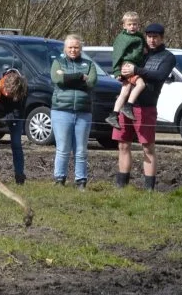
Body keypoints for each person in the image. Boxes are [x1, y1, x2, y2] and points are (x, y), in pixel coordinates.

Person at [113, 22, 176, 190]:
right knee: (123, 144)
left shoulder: (168, 57)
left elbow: (159, 75)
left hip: (146, 107)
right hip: (126, 103)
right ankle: (122, 185)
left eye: (155, 37)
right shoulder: (141, 52)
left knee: (147, 147)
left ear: (162, 38)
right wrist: (122, 73)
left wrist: (136, 70)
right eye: (149, 37)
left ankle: (149, 189)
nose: (152, 40)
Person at [50, 34, 98, 188]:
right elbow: (57, 80)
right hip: (61, 110)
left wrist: (68, 78)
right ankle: (59, 179)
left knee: (81, 149)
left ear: (81, 49)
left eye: (76, 47)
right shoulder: (58, 62)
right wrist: (79, 77)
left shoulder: (89, 64)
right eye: (70, 47)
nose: (73, 50)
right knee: (63, 148)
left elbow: (91, 82)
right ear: (65, 48)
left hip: (83, 111)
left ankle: (81, 180)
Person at [0, 68, 29, 185]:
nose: (8, 95)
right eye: (6, 92)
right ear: (3, 83)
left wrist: (8, 119)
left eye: (12, 94)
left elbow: (19, 110)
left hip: (13, 116)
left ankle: (19, 176)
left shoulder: (23, 88)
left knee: (16, 145)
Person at [105, 11, 147, 127]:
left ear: (138, 25)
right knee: (141, 84)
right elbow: (117, 54)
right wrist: (117, 71)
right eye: (129, 24)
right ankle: (128, 106)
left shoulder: (139, 36)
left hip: (136, 65)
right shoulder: (122, 38)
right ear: (124, 25)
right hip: (128, 65)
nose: (132, 27)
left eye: (135, 24)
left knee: (125, 91)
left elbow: (144, 48)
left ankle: (113, 115)